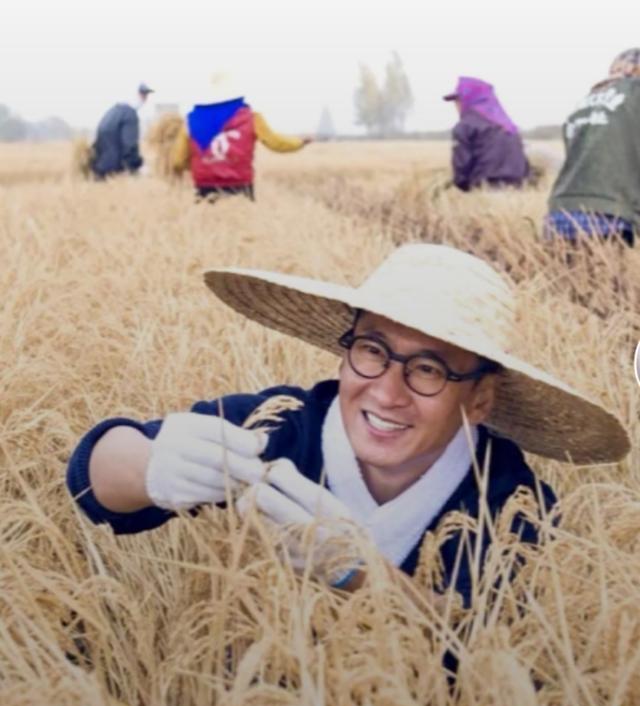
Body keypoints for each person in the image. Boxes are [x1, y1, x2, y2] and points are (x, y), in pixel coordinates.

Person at [66, 243, 629, 607]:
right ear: (344, 351)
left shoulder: (509, 504)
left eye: (428, 370)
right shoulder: (282, 428)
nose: (385, 391)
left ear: (480, 399)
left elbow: (488, 658)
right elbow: (92, 477)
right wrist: (151, 468)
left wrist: (361, 577)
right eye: (372, 350)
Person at [545, 48, 640, 247]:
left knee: (568, 277)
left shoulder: (584, 103)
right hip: (609, 214)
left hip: (558, 213)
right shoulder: (635, 92)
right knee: (610, 278)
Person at [170, 73, 312, 201]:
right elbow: (274, 142)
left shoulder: (191, 120)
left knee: (207, 227)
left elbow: (177, 160)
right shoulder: (251, 117)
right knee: (242, 227)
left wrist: (195, 165)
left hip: (204, 186)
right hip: (239, 186)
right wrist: (299, 142)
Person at [444, 77, 529, 191]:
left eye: (459, 100)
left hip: (485, 190)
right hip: (519, 190)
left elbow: (462, 167)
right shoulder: (509, 126)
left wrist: (461, 188)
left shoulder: (465, 126)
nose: (456, 105)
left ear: (470, 100)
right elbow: (525, 164)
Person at [91, 82, 154, 179]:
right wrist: (138, 165)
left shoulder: (112, 112)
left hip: (99, 170)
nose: (145, 99)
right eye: (142, 94)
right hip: (113, 173)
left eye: (146, 95)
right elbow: (129, 145)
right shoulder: (130, 115)